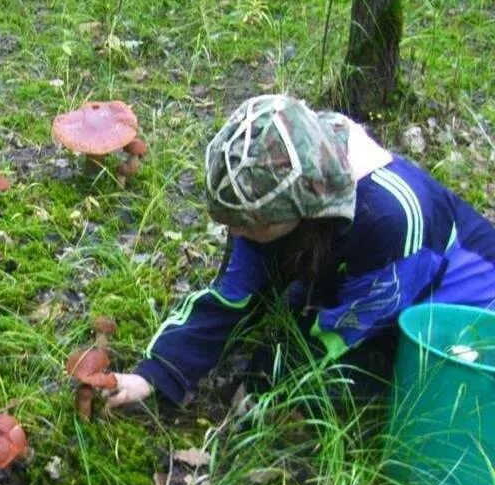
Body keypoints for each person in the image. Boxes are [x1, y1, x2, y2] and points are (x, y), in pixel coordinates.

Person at [107, 94, 495, 408]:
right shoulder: (277, 182)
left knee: (340, 387)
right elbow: (233, 295)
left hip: (458, 315)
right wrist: (153, 374)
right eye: (232, 220)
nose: (237, 232)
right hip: (371, 274)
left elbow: (340, 334)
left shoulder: (390, 219)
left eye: (250, 223)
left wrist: (266, 384)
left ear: (301, 208)